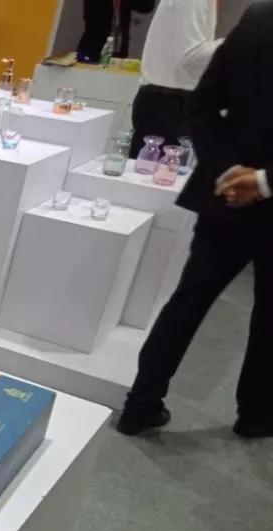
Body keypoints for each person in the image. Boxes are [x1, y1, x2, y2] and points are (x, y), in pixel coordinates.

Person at [117, 0, 273, 439]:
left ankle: (141, 404)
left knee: (188, 300)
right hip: (243, 194)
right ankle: (256, 415)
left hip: (225, 196)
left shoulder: (258, 17)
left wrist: (228, 171)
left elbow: (201, 106)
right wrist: (262, 181)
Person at [128, 0, 220, 158]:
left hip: (170, 102)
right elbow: (190, 56)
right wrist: (239, 41)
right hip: (167, 105)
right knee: (151, 173)